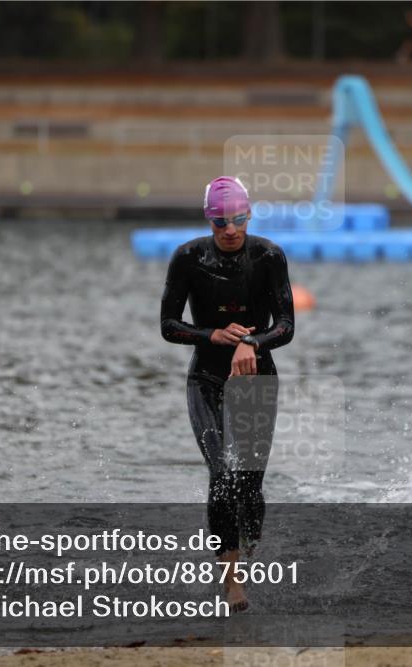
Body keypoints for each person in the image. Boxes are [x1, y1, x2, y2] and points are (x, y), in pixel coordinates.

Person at [160, 176, 294, 610]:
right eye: (220, 222)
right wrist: (213, 334)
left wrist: (250, 343)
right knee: (221, 476)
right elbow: (169, 325)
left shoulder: (269, 256)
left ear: (249, 214)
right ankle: (231, 580)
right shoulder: (189, 258)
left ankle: (247, 549)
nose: (230, 229)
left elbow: (286, 326)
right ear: (209, 220)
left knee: (250, 486)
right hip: (207, 379)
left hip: (257, 376)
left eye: (237, 219)